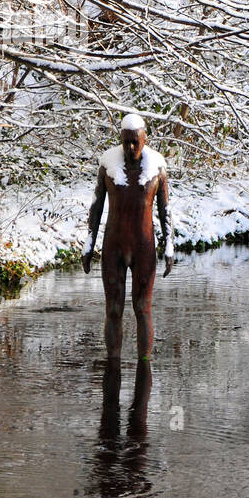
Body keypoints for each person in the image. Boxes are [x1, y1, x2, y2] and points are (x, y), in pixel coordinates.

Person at [83, 113, 173, 368]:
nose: (130, 147)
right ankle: (113, 366)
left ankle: (144, 367)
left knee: (143, 309)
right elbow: (96, 207)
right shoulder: (108, 167)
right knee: (113, 309)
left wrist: (169, 246)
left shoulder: (156, 168)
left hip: (144, 247)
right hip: (113, 246)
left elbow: (165, 211)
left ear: (145, 139)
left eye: (135, 142)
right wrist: (88, 246)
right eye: (126, 142)